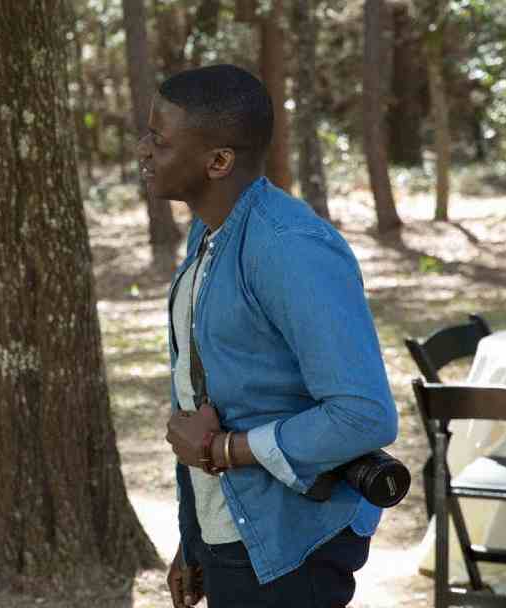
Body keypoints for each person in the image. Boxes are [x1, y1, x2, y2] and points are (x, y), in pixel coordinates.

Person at [138, 64, 398, 607]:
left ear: (218, 160)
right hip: (230, 533)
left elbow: (363, 414)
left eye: (159, 142)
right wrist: (193, 538)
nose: (143, 151)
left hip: (291, 542)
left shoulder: (288, 248)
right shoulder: (207, 236)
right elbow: (202, 394)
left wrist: (224, 449)